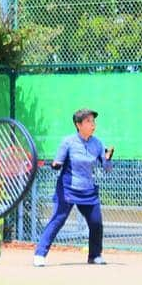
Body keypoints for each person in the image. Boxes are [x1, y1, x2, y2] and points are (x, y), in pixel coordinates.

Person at [33, 108, 114, 267]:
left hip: (88, 190)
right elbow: (58, 162)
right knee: (58, 220)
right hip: (67, 189)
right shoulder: (68, 142)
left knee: (96, 223)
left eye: (93, 121)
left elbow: (107, 168)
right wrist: (56, 165)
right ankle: (40, 254)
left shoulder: (97, 143)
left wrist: (108, 159)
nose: (93, 125)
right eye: (89, 121)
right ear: (78, 125)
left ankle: (95, 255)